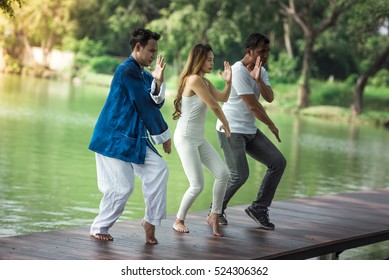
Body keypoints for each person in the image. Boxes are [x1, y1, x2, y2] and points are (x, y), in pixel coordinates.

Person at [88, 28, 171, 244]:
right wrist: (164, 136)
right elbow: (144, 104)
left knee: (159, 170)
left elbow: (156, 103)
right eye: (151, 51)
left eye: (156, 51)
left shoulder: (143, 74)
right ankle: (99, 227)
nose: (153, 55)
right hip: (113, 138)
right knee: (122, 188)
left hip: (133, 139)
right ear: (138, 47)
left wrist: (159, 82)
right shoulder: (126, 71)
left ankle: (150, 221)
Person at [214, 33, 287, 229]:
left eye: (267, 51)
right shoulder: (238, 71)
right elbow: (252, 106)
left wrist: (260, 80)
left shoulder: (260, 71)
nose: (265, 55)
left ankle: (259, 209)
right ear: (249, 51)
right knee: (240, 174)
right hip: (230, 128)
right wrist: (271, 125)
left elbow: (269, 97)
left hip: (249, 130)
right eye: (261, 51)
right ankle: (216, 209)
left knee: (278, 162)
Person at [172, 43, 231, 237]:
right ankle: (179, 219)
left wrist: (229, 82)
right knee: (197, 184)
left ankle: (214, 215)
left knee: (223, 174)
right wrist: (226, 123)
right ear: (199, 60)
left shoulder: (204, 81)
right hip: (186, 138)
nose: (212, 63)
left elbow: (222, 97)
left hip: (198, 138)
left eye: (213, 59)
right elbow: (214, 106)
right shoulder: (194, 79)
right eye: (209, 59)